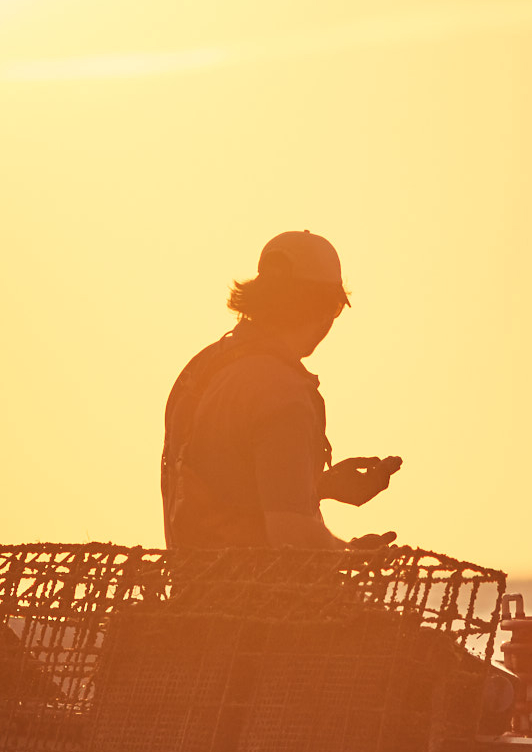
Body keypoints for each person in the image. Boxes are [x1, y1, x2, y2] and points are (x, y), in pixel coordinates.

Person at [162, 230, 400, 550]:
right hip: (256, 597)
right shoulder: (282, 392)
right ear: (322, 307)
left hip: (194, 591)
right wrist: (353, 556)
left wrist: (319, 486)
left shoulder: (204, 369)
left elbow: (221, 487)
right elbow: (293, 540)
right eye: (335, 309)